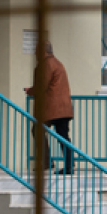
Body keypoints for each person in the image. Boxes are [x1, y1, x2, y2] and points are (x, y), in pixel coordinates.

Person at [25, 40, 75, 174]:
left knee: (37, 130)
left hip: (52, 108)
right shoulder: (57, 63)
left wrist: (30, 91)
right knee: (63, 136)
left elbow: (42, 85)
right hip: (64, 108)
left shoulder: (46, 64)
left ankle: (47, 162)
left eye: (37, 51)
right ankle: (69, 165)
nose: (35, 53)